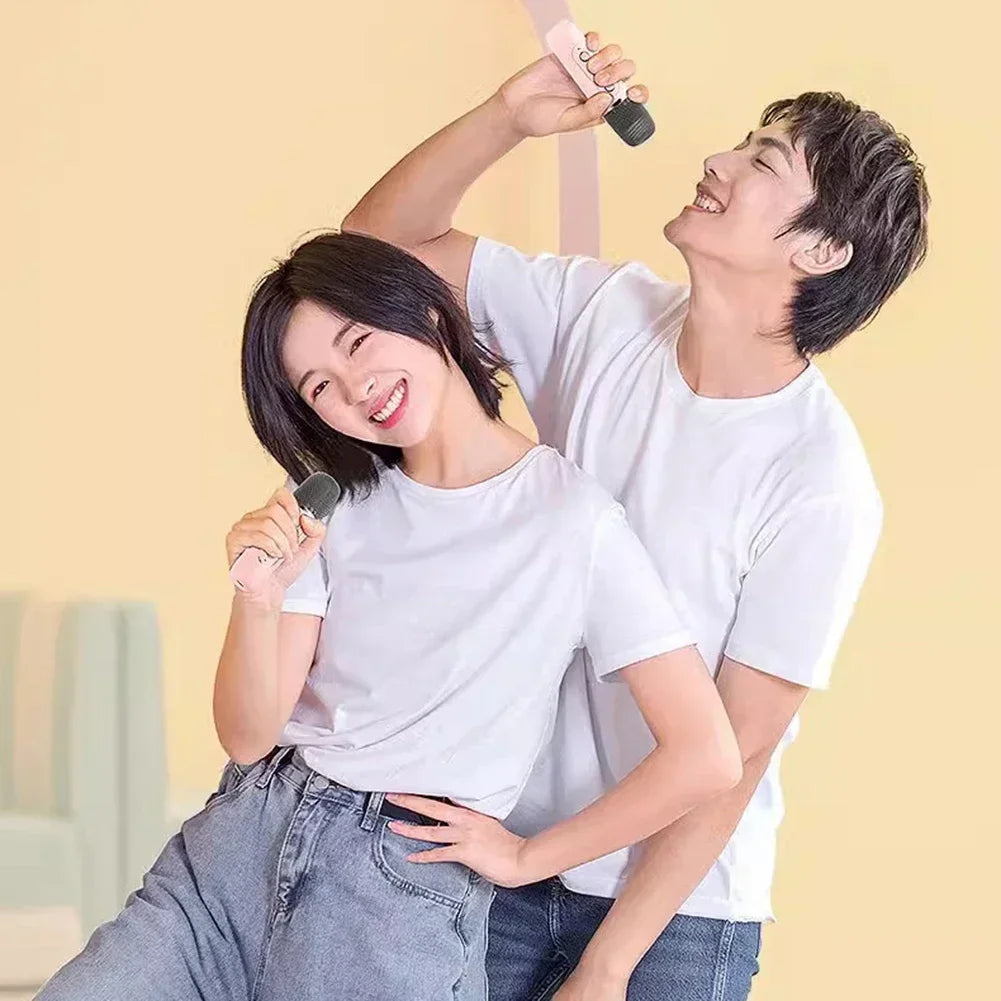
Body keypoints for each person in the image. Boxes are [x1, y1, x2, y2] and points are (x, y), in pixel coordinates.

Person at [341, 26, 929, 1001]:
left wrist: (609, 959)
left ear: (822, 249)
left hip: (671, 914)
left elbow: (735, 750)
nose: (717, 160)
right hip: (494, 858)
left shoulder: (816, 478)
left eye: (762, 162)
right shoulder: (601, 313)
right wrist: (507, 117)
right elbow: (370, 255)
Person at [36, 231, 742, 1001]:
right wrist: (258, 599)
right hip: (240, 846)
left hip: (394, 890)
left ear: (426, 312)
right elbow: (246, 733)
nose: (355, 388)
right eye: (319, 386)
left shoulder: (571, 521)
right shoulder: (330, 496)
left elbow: (705, 753)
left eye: (357, 342)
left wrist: (525, 857)